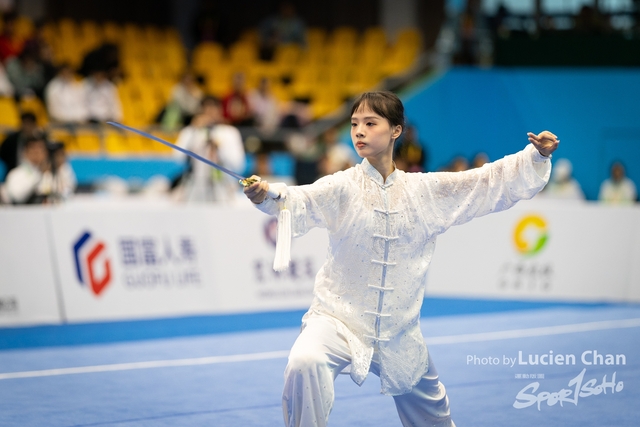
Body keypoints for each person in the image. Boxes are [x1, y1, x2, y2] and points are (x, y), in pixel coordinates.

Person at [243, 91, 558, 427]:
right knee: (305, 361)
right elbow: (298, 197)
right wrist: (268, 194)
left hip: (400, 334)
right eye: (354, 125)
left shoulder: (424, 191)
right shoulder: (342, 186)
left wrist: (534, 157)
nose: (359, 132)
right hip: (338, 320)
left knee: (436, 419)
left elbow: (482, 183)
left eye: (369, 123)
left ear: (395, 130)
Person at [173, 95, 246, 203]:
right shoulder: (191, 131)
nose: (209, 114)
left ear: (219, 111)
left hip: (223, 190)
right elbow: (177, 158)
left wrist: (219, 147)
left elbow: (238, 164)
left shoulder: (230, 132)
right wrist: (194, 130)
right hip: (195, 189)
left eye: (213, 109)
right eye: (206, 110)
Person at [4, 135, 51, 204]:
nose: (36, 151)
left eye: (40, 148)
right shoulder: (15, 174)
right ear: (25, 151)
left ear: (46, 152)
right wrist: (38, 175)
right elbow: (17, 197)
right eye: (33, 148)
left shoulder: (50, 172)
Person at [0, 111, 42, 179]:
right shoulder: (11, 140)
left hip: (36, 174)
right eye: (25, 123)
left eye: (29, 123)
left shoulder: (41, 140)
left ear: (34, 124)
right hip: (14, 173)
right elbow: (3, 156)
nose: (27, 127)